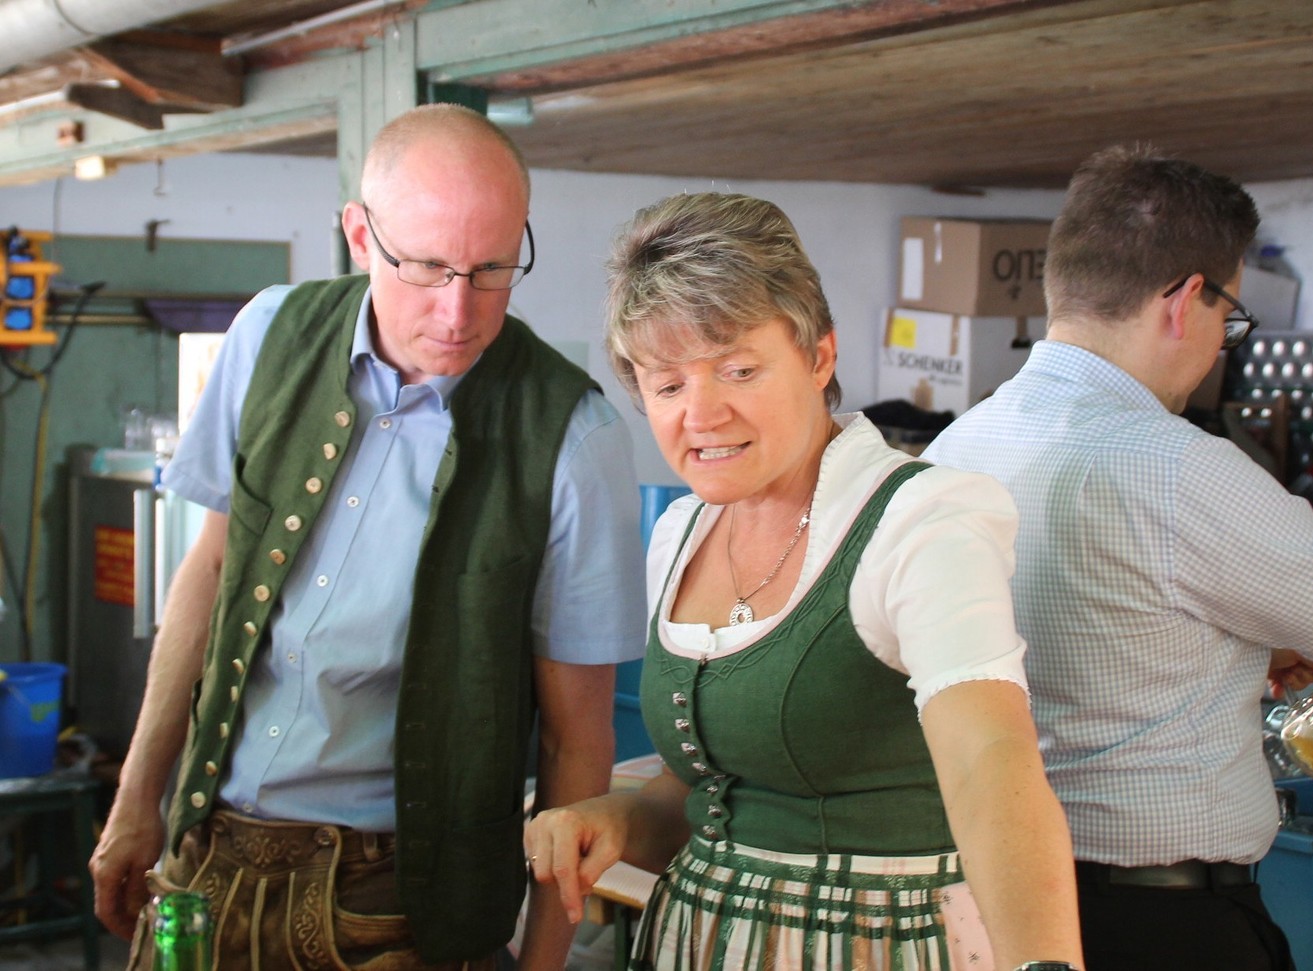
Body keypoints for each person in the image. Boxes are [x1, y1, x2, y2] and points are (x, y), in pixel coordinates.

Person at [88, 103, 647, 971]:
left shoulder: (571, 435)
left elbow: (577, 738)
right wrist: (137, 798)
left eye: (492, 268)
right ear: (359, 235)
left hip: (397, 900)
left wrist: (541, 961)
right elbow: (210, 569)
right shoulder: (269, 336)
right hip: (205, 859)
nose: (458, 310)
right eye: (425, 267)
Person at [524, 192, 1085, 971]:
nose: (702, 413)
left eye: (738, 369)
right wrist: (618, 819)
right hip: (699, 944)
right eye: (668, 384)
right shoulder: (681, 533)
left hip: (879, 947)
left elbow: (989, 760)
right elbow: (707, 794)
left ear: (820, 357)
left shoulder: (920, 520)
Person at [922, 144, 1313, 971]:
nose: (1219, 345)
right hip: (1160, 923)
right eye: (1227, 319)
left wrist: (1244, 650)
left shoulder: (953, 448)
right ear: (1185, 300)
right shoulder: (1177, 466)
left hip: (993, 907)